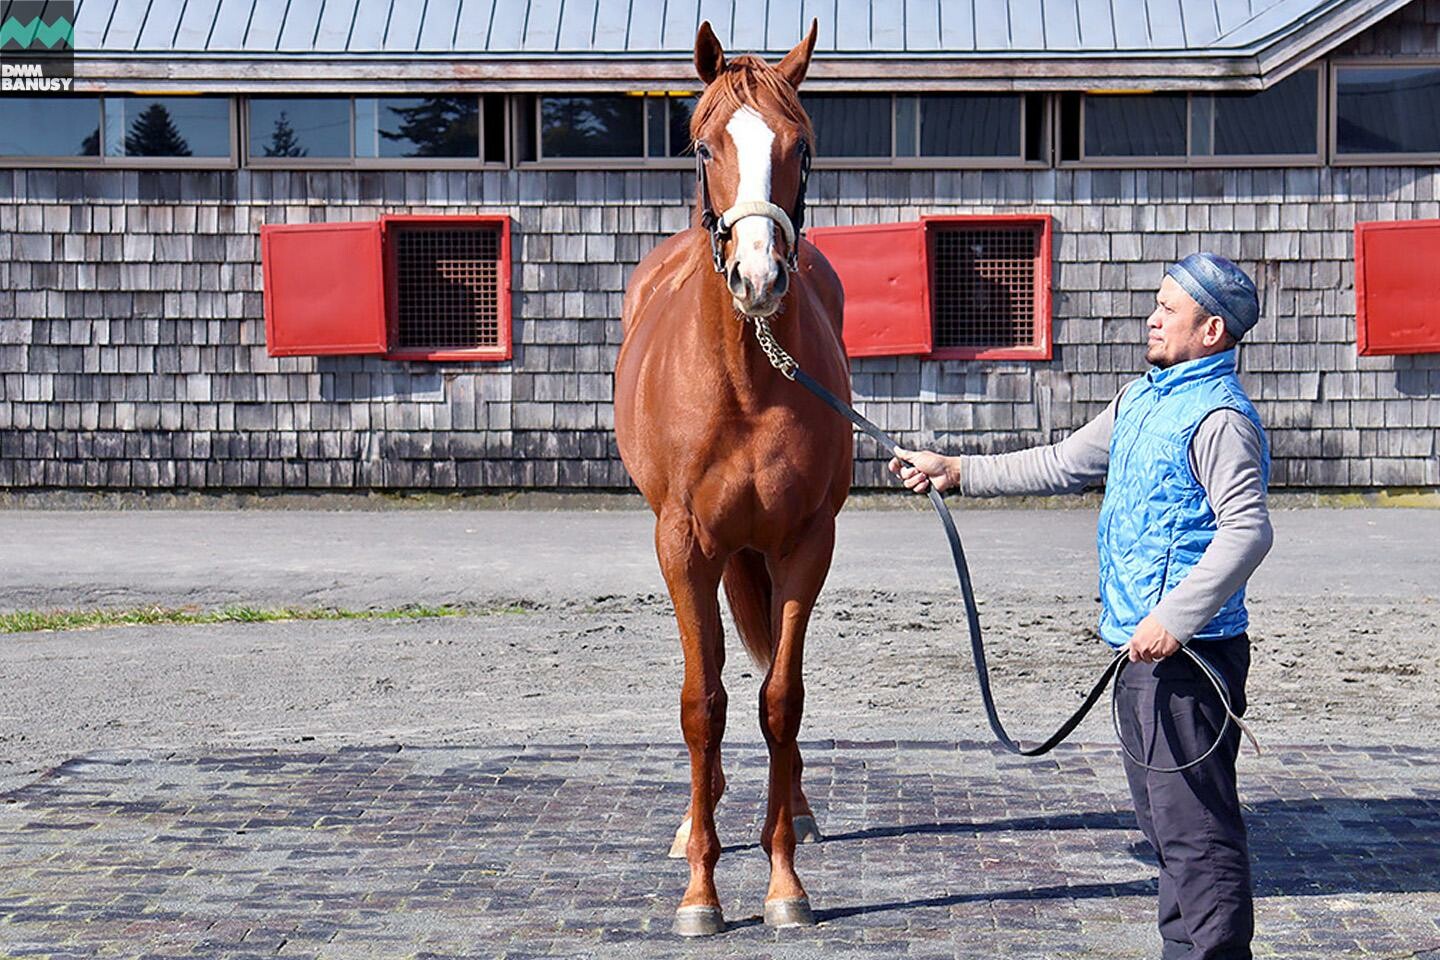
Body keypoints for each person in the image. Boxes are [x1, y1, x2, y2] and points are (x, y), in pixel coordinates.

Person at [890, 253, 1274, 960]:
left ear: (1213, 329)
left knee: (1198, 837)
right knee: (1165, 830)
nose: (1152, 317)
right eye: (1156, 304)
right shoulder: (1141, 399)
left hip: (1191, 658)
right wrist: (959, 470)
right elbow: (1063, 461)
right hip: (1139, 653)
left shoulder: (1221, 419)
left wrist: (1175, 617)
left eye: (1169, 308)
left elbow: (1248, 530)